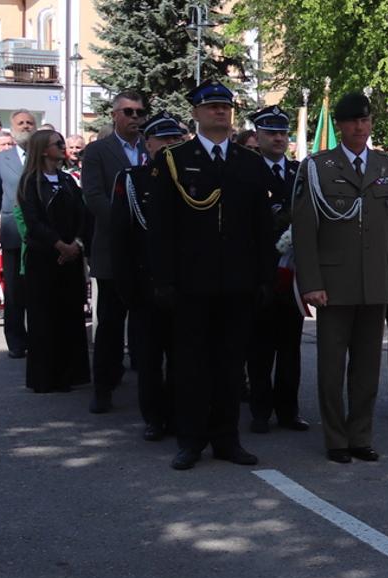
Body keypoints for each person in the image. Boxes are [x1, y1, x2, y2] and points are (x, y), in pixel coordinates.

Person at [145, 80, 275, 471]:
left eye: (225, 106)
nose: (220, 111)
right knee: (191, 365)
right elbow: (160, 226)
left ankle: (227, 439)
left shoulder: (248, 162)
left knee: (231, 365)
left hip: (237, 281)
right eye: (211, 106)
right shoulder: (173, 160)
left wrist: (265, 277)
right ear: (197, 113)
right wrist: (163, 279)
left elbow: (262, 228)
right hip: (191, 282)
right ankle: (190, 440)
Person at [294, 92, 388, 462]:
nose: (360, 127)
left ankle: (360, 435)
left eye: (365, 121)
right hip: (333, 285)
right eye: (352, 121)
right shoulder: (316, 167)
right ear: (339, 126)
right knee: (331, 368)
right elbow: (304, 230)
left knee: (367, 367)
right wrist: (311, 282)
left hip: (376, 281)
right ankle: (335, 438)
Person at [111, 113, 190, 441]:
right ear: (149, 144)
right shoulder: (132, 179)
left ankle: (177, 414)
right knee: (148, 358)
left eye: (176, 140)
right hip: (145, 287)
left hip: (184, 286)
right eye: (163, 140)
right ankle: (153, 418)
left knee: (182, 358)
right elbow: (120, 237)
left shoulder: (192, 181)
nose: (170, 146)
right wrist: (127, 289)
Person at [82, 90, 151, 414]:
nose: (135, 118)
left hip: (147, 251)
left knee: (145, 322)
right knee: (109, 324)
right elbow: (93, 197)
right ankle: (103, 387)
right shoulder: (98, 152)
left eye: (139, 112)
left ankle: (148, 384)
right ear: (115, 115)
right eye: (128, 112)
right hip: (113, 249)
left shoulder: (152, 149)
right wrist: (128, 223)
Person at [245, 104, 310, 435]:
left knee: (290, 349)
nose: (278, 138)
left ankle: (289, 410)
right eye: (271, 133)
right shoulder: (247, 170)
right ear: (257, 137)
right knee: (259, 350)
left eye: (283, 133)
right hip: (260, 275)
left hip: (294, 277)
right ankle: (259, 410)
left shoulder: (300, 172)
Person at [16, 129, 93, 393]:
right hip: (44, 258)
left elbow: (82, 214)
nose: (63, 147)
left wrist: (76, 244)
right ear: (43, 149)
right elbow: (33, 221)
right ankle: (46, 377)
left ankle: (71, 374)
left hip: (70, 257)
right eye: (57, 144)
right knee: (44, 319)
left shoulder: (67, 180)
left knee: (70, 315)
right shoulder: (29, 182)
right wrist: (59, 244)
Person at [0, 115, 37, 356]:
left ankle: (37, 338)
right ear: (12, 130)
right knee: (15, 291)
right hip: (13, 231)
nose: (25, 127)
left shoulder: (44, 155)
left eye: (29, 123)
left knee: (37, 289)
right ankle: (16, 342)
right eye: (20, 124)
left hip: (40, 233)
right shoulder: (1, 159)